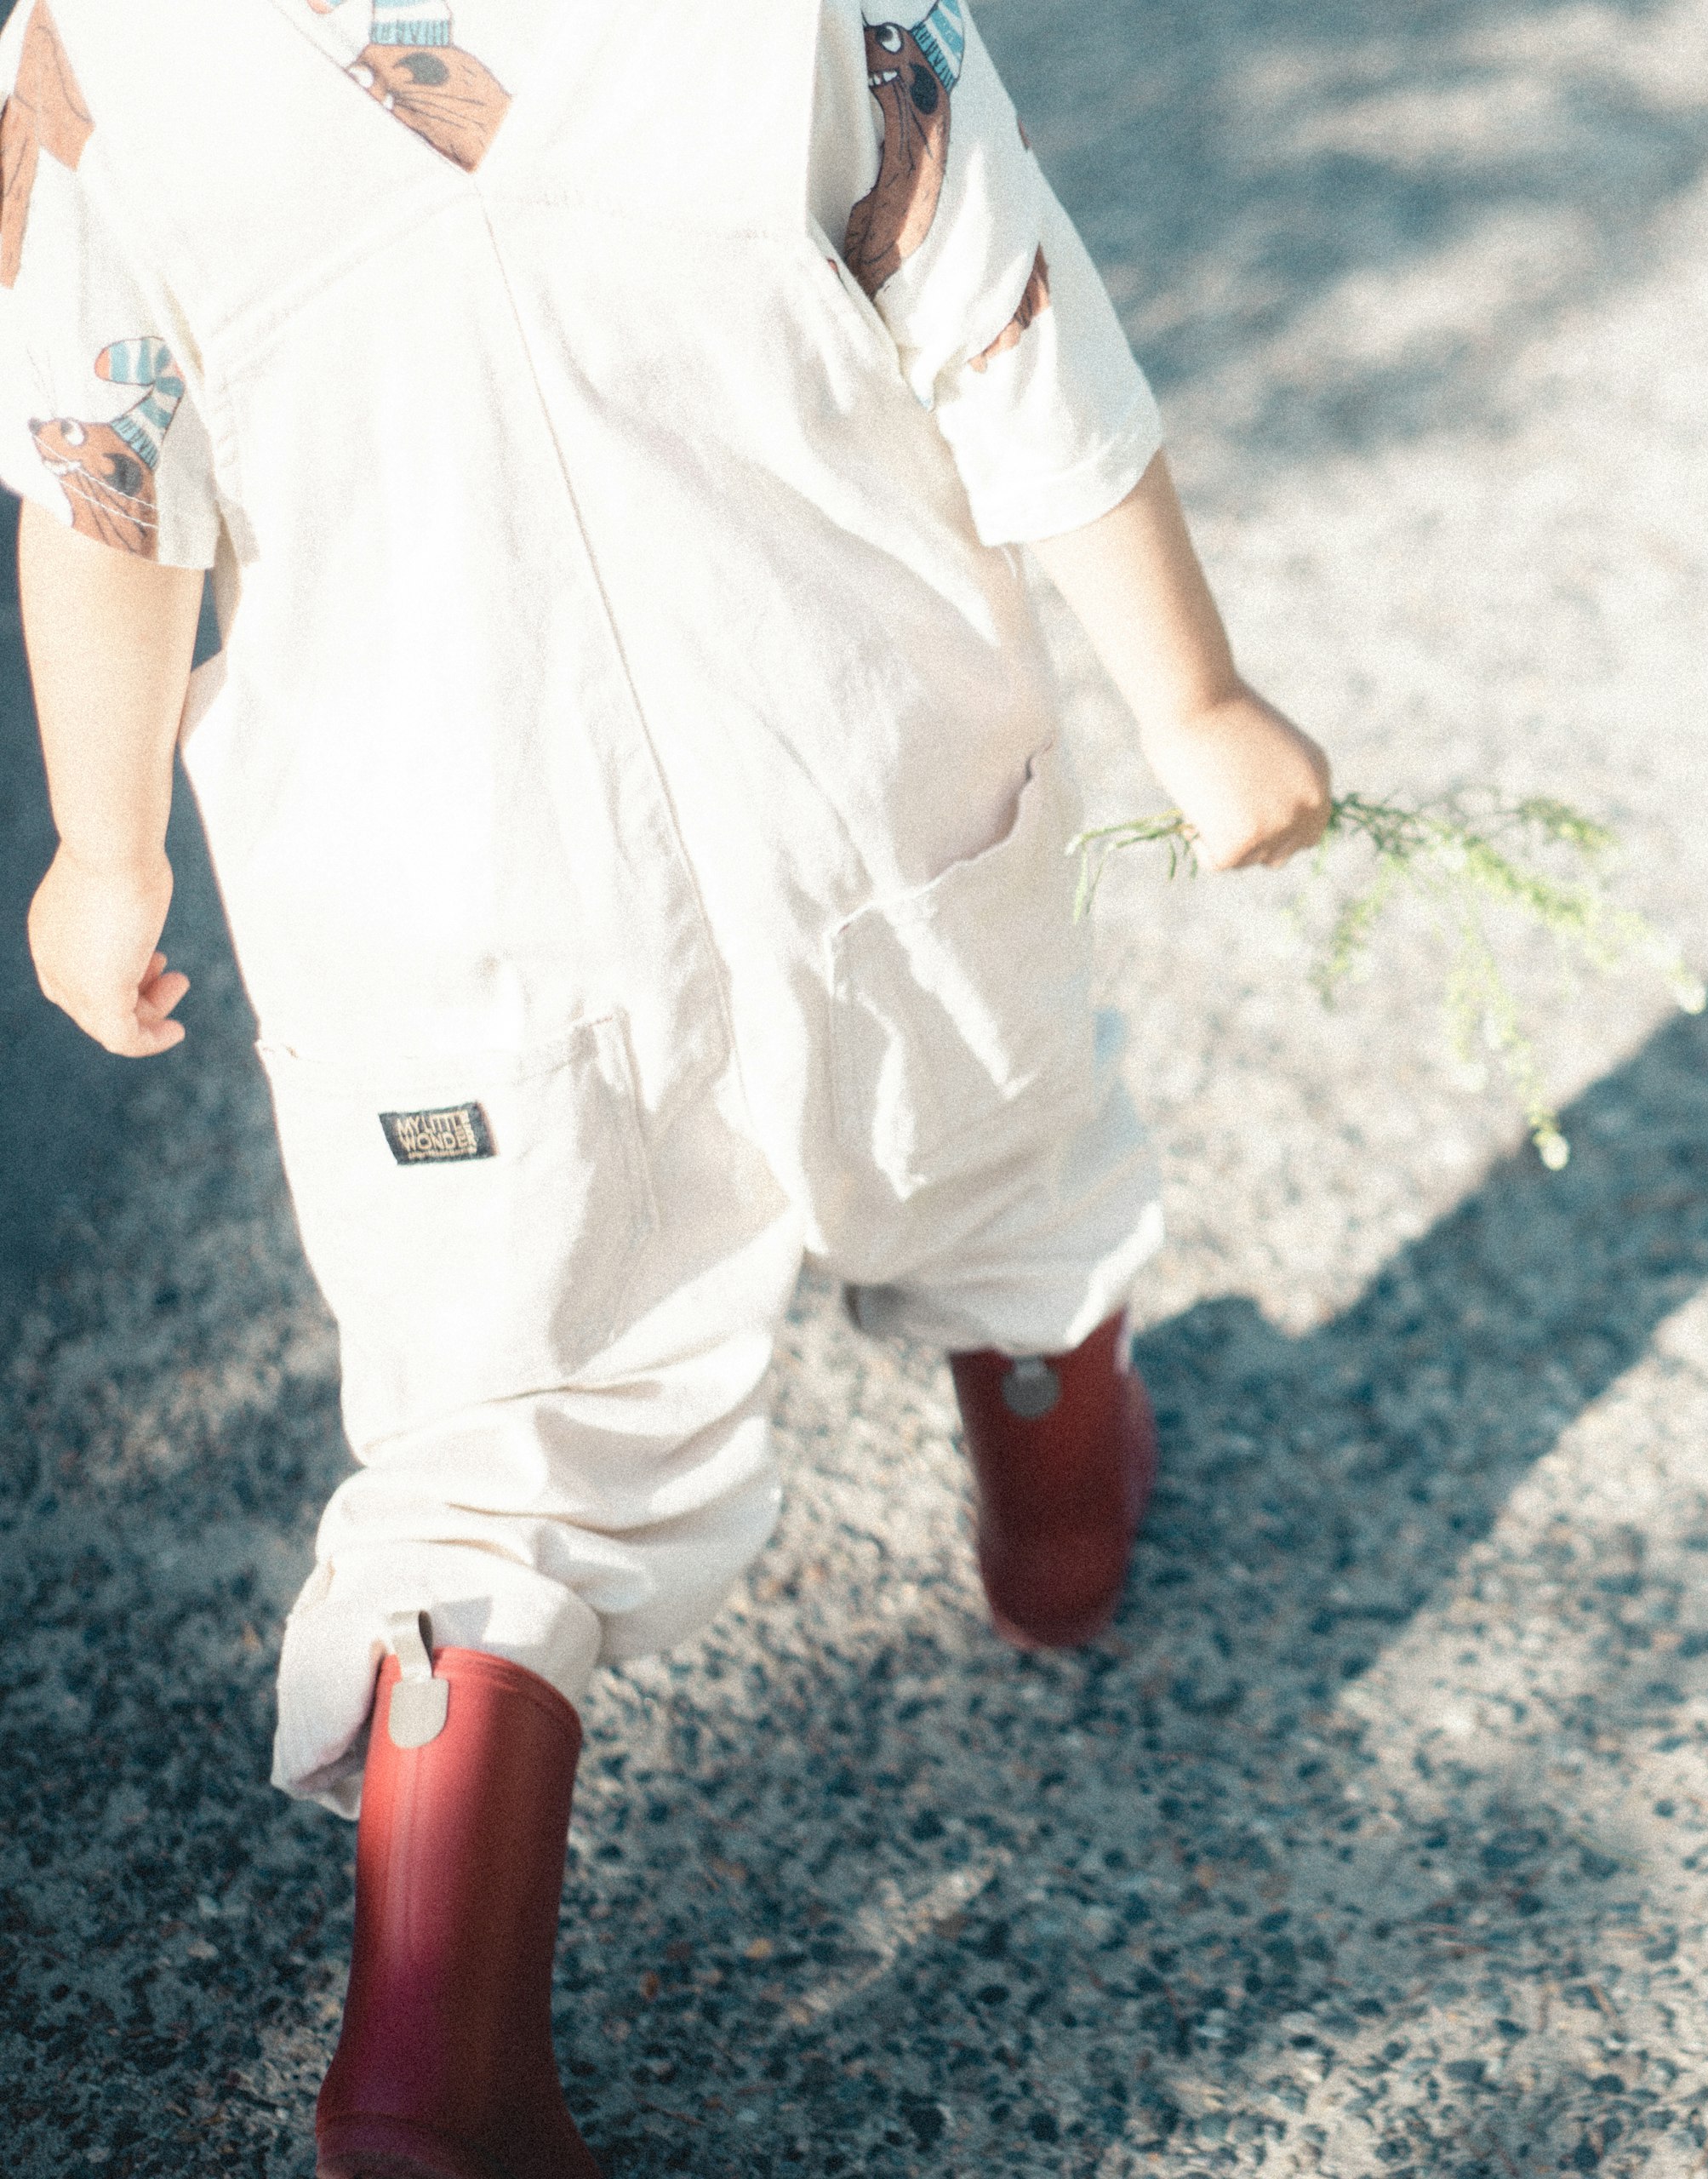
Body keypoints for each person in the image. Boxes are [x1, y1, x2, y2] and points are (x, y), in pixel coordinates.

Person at [5, 1, 1331, 2171]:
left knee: (506, 1427)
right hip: (859, 760)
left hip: (448, 896)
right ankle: (1056, 1486)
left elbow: (102, 471)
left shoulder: (112, 49)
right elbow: (999, 306)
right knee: (992, 1141)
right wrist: (1195, 698)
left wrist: (105, 836)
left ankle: (442, 2064)